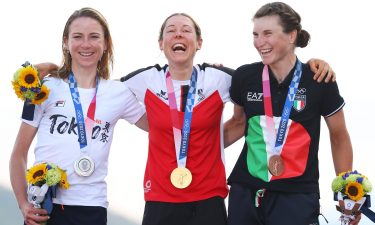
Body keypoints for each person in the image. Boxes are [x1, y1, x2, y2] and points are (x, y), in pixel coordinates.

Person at [34, 12, 335, 225]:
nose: (178, 34)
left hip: (209, 199)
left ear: (198, 42)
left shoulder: (220, 78)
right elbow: (93, 88)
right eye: (171, 30)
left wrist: (311, 65)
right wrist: (56, 70)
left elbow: (270, 79)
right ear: (161, 42)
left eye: (186, 30)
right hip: (160, 199)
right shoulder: (142, 80)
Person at [224, 2, 359, 225]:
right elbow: (238, 123)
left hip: (296, 195)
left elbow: (339, 135)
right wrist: (194, 149)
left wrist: (346, 190)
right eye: (256, 34)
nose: (259, 42)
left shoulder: (319, 78)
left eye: (268, 33)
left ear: (291, 36)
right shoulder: (244, 76)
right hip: (245, 191)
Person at [9, 7, 147, 225]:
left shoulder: (118, 93)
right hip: (44, 207)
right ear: (66, 41)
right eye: (77, 36)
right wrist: (23, 204)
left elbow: (162, 127)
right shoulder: (43, 87)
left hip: (91, 207)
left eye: (94, 36)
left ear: (105, 43)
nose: (86, 44)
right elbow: (18, 154)